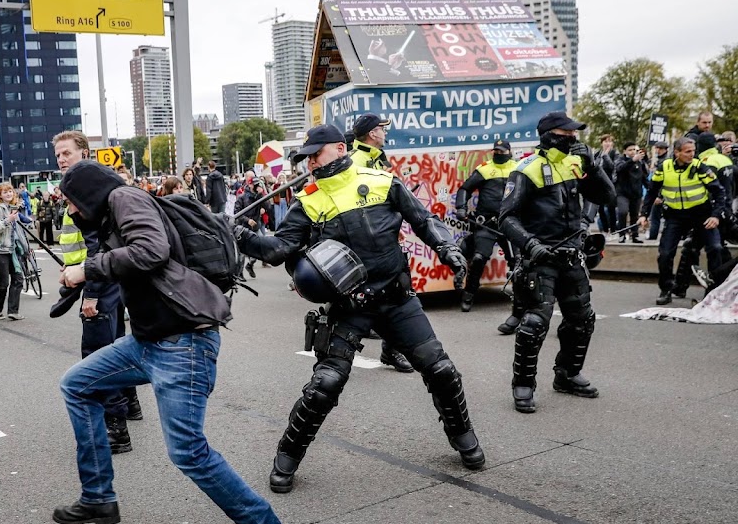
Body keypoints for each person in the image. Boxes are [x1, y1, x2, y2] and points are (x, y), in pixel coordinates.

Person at [54, 161, 298, 524]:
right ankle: (98, 497)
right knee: (77, 384)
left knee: (188, 452)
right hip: (149, 342)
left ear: (89, 192)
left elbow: (150, 251)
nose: (70, 210)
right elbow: (134, 262)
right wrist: (83, 282)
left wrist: (89, 269)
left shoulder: (124, 198)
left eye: (72, 201)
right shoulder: (113, 212)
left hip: (182, 344)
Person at [233, 124, 483, 494]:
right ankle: (286, 456)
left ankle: (463, 437)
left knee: (442, 371)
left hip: (398, 300)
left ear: (339, 147)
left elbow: (423, 219)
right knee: (325, 384)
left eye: (317, 154)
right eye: (307, 158)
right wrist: (239, 234)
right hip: (350, 307)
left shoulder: (382, 180)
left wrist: (447, 249)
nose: (311, 162)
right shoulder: (309, 200)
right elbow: (277, 249)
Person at [499, 112, 616, 413]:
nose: (574, 138)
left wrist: (593, 165)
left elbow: (608, 196)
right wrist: (531, 244)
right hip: (540, 259)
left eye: (575, 133)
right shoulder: (526, 168)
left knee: (582, 319)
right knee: (535, 323)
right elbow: (507, 217)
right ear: (550, 134)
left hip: (571, 255)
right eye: (568, 133)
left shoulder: (575, 165)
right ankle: (523, 384)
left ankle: (567, 374)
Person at [54, 132, 141, 454]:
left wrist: (90, 292)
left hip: (100, 284)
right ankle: (130, 404)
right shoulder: (89, 187)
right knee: (118, 346)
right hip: (99, 280)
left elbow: (98, 248)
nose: (61, 159)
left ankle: (116, 430)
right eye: (58, 155)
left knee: (97, 356)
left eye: (67, 153)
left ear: (85, 153)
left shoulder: (90, 190)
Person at [347, 113, 416, 372]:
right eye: (381, 129)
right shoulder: (354, 162)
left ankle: (391, 350)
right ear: (371, 134)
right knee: (355, 296)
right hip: (363, 242)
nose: (385, 133)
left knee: (397, 288)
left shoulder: (378, 159)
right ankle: (335, 354)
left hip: (384, 238)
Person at [640, 137, 726, 304]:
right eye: (688, 152)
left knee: (715, 248)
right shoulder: (664, 167)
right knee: (665, 254)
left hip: (701, 214)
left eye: (693, 151)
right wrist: (643, 214)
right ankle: (666, 290)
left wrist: (715, 215)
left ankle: (714, 291)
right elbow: (651, 192)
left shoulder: (699, 166)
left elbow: (719, 192)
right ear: (677, 152)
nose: (692, 155)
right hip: (675, 216)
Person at [454, 139, 517, 312]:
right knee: (478, 258)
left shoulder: (519, 169)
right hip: (486, 223)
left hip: (511, 223)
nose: (498, 154)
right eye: (495, 151)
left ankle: (521, 300)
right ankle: (469, 294)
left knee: (518, 261)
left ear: (509, 152)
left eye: (501, 152)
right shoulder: (484, 168)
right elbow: (465, 189)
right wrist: (461, 208)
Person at [0, 183, 26, 321]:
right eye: (5, 192)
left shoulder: (13, 208)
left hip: (12, 250)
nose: (9, 194)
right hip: (0, 250)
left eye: (10, 191)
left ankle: (13, 311)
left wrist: (24, 247)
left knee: (18, 279)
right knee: (3, 283)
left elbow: (18, 231)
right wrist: (7, 220)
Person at [613, 142, 649, 243]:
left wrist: (650, 188)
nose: (633, 152)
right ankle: (622, 234)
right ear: (625, 151)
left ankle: (635, 235)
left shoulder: (640, 163)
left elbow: (644, 177)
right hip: (622, 193)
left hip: (636, 193)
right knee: (622, 212)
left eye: (634, 150)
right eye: (630, 150)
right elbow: (620, 169)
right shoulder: (621, 160)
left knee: (634, 215)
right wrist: (632, 161)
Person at [646, 140, 670, 240]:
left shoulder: (664, 162)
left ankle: (653, 235)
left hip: (662, 195)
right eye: (657, 148)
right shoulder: (659, 160)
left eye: (660, 148)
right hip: (662, 194)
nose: (658, 150)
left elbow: (662, 181)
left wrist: (659, 196)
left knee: (656, 216)